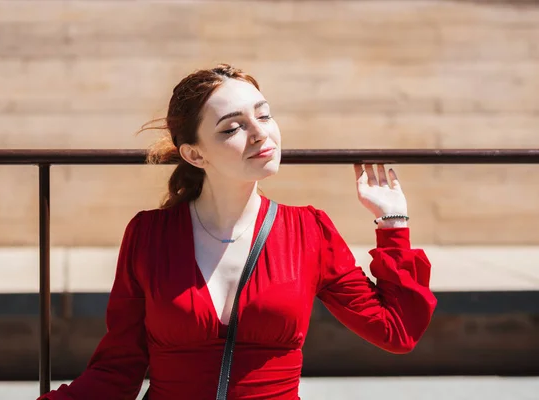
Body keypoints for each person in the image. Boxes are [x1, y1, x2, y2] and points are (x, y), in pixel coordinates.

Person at [38, 64, 437, 400]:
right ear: (195, 154)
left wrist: (393, 222)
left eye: (263, 115)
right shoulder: (149, 235)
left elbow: (396, 331)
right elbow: (118, 369)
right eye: (232, 128)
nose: (261, 133)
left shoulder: (308, 230)